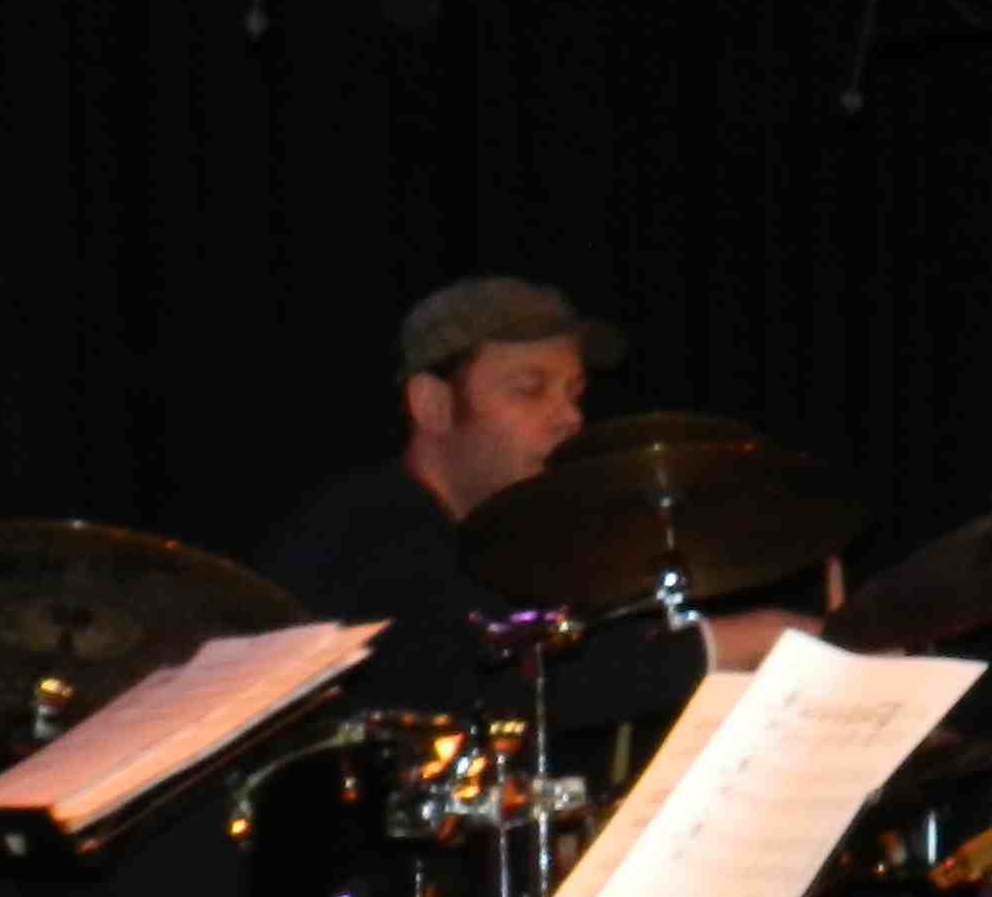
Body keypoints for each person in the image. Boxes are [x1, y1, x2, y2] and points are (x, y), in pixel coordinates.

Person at [256, 276, 816, 722]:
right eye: (529, 389)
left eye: (575, 393)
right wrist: (729, 643)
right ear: (432, 405)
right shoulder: (359, 536)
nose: (569, 417)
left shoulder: (534, 546)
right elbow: (476, 685)